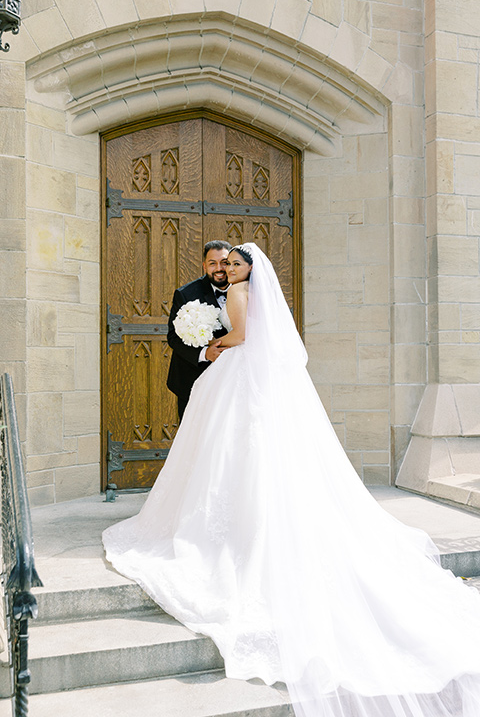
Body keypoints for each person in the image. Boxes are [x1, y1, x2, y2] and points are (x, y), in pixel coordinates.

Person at [104, 243, 480, 717]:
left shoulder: (240, 292)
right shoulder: (217, 292)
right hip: (228, 379)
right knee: (226, 450)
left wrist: (218, 345)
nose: (229, 270)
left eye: (236, 263)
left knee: (239, 450)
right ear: (208, 266)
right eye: (223, 264)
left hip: (236, 374)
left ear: (245, 268)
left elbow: (239, 336)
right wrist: (205, 348)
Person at [166, 240, 232, 420]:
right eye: (212, 263)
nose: (219, 268)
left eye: (224, 262)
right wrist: (205, 354)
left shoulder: (246, 290)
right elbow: (173, 337)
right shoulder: (186, 294)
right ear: (204, 266)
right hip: (194, 378)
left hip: (234, 379)